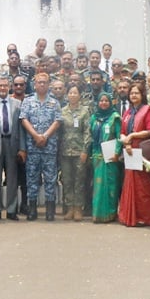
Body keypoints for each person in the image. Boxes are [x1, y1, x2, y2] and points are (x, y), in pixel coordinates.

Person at [21, 72, 63, 221]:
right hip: (33, 147)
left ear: (49, 84)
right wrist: (35, 136)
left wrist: (44, 136)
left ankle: (50, 210)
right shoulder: (27, 101)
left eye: (45, 82)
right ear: (34, 84)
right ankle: (32, 209)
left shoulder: (54, 102)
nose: (42, 84)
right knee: (32, 178)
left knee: (50, 179)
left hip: (49, 147)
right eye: (39, 82)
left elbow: (57, 121)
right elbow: (24, 119)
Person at [118, 83, 150, 227]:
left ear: (142, 95)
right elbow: (122, 131)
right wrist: (125, 142)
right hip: (129, 150)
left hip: (142, 150)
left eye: (137, 93)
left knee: (142, 186)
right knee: (129, 183)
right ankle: (128, 216)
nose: (133, 95)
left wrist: (132, 135)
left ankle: (143, 217)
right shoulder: (128, 112)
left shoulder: (147, 110)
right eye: (132, 93)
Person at [0, 76, 23, 221]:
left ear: (9, 87)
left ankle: (12, 209)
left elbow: (21, 128)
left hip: (12, 144)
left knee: (12, 179)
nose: (2, 88)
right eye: (0, 86)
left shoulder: (17, 104)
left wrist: (22, 148)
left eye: (5, 86)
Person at [88, 93, 123, 223]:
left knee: (111, 186)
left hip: (111, 157)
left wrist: (116, 153)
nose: (103, 103)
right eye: (101, 100)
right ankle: (98, 214)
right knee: (98, 186)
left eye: (106, 101)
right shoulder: (93, 118)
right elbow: (90, 136)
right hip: (97, 157)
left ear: (110, 102)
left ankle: (111, 214)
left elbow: (120, 136)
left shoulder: (115, 117)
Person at [59, 85, 92, 221]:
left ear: (79, 95)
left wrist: (85, 150)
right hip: (65, 151)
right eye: (70, 93)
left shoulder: (84, 111)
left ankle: (78, 208)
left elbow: (87, 132)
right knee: (67, 180)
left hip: (79, 151)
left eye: (75, 93)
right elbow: (59, 132)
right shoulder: (62, 111)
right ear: (67, 95)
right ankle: (70, 207)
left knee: (79, 180)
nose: (72, 95)